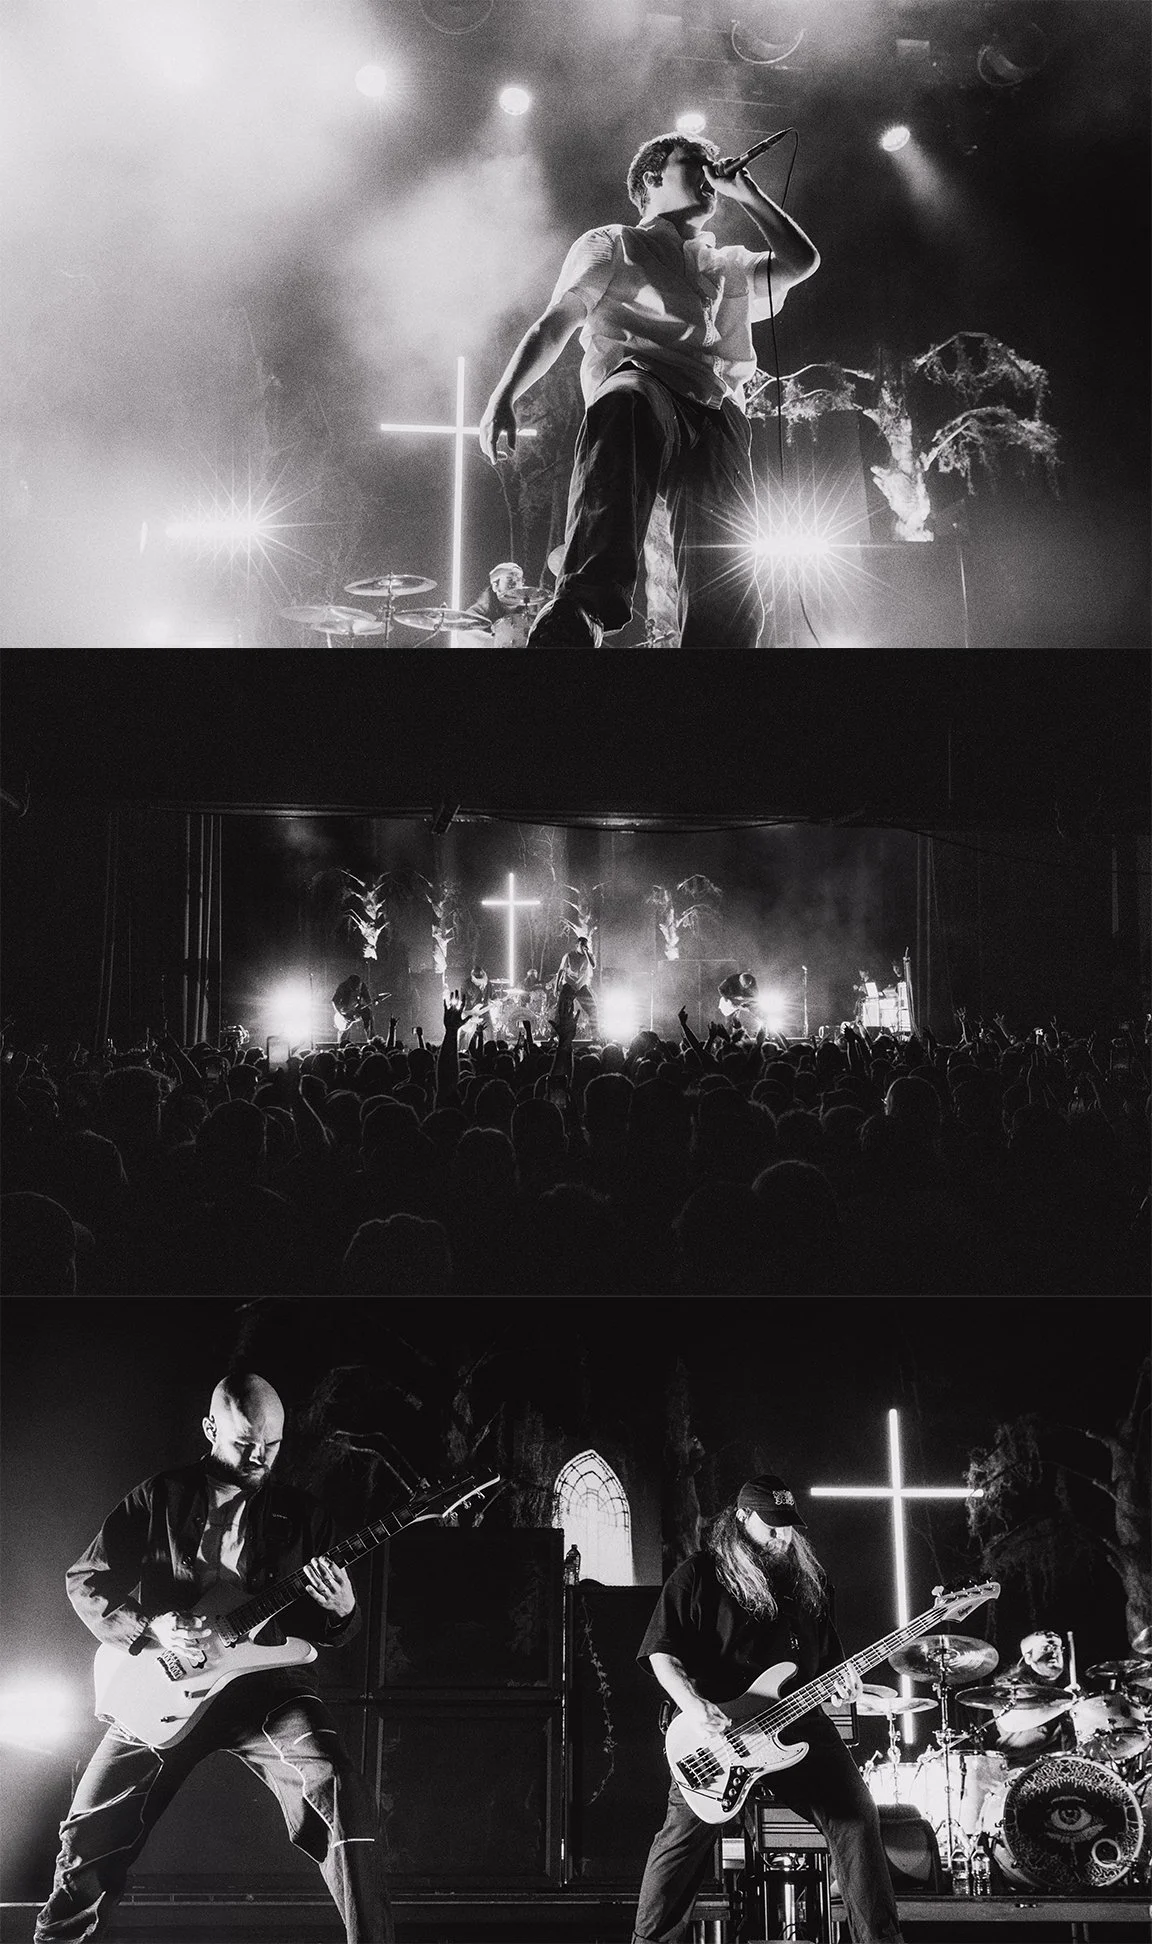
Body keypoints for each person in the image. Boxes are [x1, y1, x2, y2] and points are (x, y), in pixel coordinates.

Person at [34, 1373, 390, 1944]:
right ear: (210, 1429)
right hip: (167, 1684)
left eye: (272, 1446)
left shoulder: (302, 1515)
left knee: (338, 1785)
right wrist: (153, 1628)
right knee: (88, 1831)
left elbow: (324, 1631)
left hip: (268, 1689)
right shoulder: (159, 1496)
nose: (259, 1457)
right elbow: (86, 1580)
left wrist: (343, 1610)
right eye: (244, 1443)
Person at [478, 132, 820, 648]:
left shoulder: (729, 263)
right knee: (626, 399)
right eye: (695, 161)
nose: (711, 168)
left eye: (712, 161)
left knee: (724, 558)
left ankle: (720, 641)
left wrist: (748, 194)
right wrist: (503, 396)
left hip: (716, 411)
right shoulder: (613, 241)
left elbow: (801, 262)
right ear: (652, 178)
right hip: (646, 382)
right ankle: (582, 605)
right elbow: (556, 323)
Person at [632, 1474, 903, 1944]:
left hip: (798, 1723)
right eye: (771, 1525)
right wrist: (693, 1705)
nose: (782, 1536)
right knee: (681, 1841)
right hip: (720, 1732)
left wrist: (845, 1687)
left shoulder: (811, 1581)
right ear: (741, 1519)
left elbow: (833, 1666)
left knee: (857, 1815)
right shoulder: (699, 1574)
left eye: (788, 1525)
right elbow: (662, 1653)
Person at [463, 561, 546, 649]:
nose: (515, 584)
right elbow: (464, 632)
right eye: (509, 579)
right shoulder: (478, 611)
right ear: (495, 586)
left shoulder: (530, 610)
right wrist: (499, 641)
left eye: (518, 580)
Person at [555, 935, 599, 1038]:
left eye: (585, 944)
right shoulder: (569, 956)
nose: (584, 946)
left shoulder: (589, 956)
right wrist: (556, 987)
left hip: (581, 986)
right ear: (577, 945)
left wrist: (587, 953)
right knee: (561, 1010)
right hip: (569, 985)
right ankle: (554, 1035)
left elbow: (593, 966)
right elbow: (560, 971)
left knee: (592, 1009)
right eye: (582, 944)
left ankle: (595, 1034)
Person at [332, 975, 375, 1045]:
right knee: (344, 1029)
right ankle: (342, 1043)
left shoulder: (362, 986)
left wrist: (372, 1002)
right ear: (349, 984)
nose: (356, 989)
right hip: (345, 1009)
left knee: (368, 1013)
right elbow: (334, 1001)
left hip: (356, 1008)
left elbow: (368, 1000)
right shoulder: (343, 987)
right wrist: (341, 1015)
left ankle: (371, 1039)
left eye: (357, 987)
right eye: (353, 987)